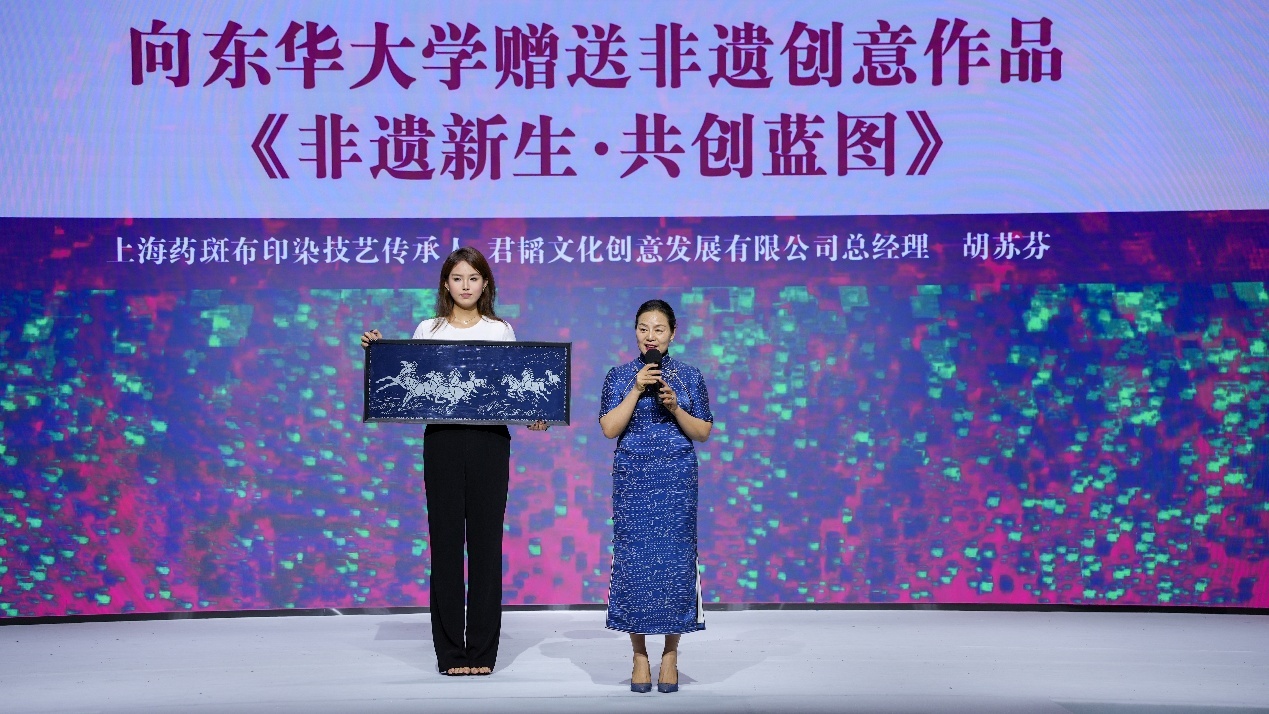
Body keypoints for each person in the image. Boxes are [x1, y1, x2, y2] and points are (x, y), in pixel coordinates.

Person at [361, 246, 547, 677]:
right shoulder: (428, 328)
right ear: (446, 283)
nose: (466, 286)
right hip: (442, 441)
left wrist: (536, 415)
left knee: (486, 547)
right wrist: (379, 352)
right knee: (445, 546)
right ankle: (450, 653)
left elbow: (512, 390)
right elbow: (409, 383)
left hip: (490, 443)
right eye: (458, 278)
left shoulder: (501, 330)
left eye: (474, 278)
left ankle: (481, 651)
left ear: (485, 284)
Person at [598, 299, 713, 694]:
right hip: (634, 478)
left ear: (672, 334)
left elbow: (702, 432)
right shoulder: (619, 376)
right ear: (635, 333)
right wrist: (635, 389)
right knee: (635, 563)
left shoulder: (689, 376)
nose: (651, 336)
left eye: (659, 329)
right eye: (644, 328)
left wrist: (676, 407)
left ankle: (670, 654)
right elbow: (609, 429)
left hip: (676, 477)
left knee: (675, 562)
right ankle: (638, 655)